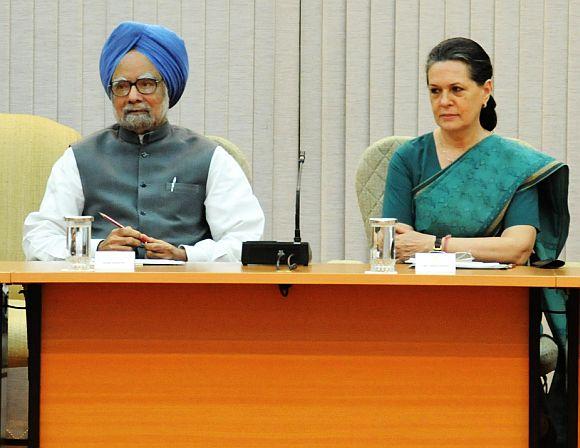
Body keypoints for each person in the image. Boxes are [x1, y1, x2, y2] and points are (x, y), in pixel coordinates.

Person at [383, 37, 569, 446]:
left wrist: (434, 244)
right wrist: (436, 246)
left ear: (485, 91)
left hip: (497, 308)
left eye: (456, 89)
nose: (444, 101)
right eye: (435, 91)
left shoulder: (514, 164)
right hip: (417, 305)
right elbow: (394, 241)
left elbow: (518, 246)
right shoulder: (408, 158)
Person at [23, 21, 264, 262]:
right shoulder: (78, 158)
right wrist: (96, 249)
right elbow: (39, 238)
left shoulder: (211, 157)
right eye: (121, 86)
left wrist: (185, 255)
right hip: (100, 292)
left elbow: (244, 240)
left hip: (186, 293)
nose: (133, 96)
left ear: (168, 88)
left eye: (147, 84)